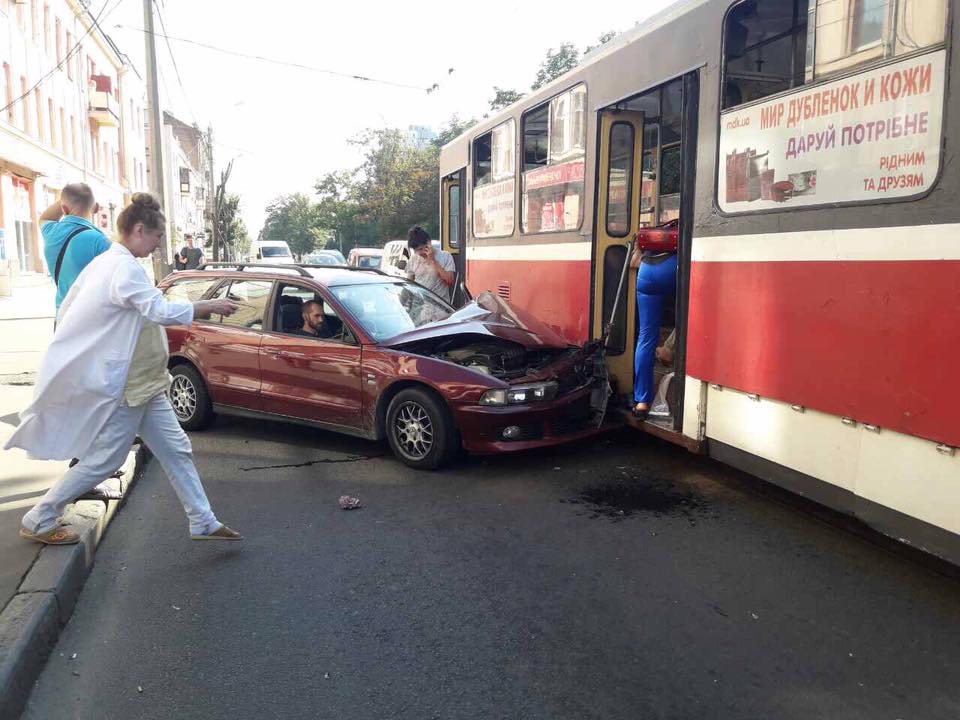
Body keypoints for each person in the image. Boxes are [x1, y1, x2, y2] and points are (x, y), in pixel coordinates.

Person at [5, 193, 243, 545]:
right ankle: (40, 518)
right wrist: (210, 305)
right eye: (157, 237)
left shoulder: (115, 262)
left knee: (176, 448)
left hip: (146, 382)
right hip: (130, 385)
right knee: (104, 460)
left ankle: (203, 521)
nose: (160, 245)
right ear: (139, 229)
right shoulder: (121, 266)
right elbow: (157, 310)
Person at [40, 183, 110, 312]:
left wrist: (66, 199)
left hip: (63, 316)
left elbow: (45, 217)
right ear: (96, 208)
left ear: (64, 209)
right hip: (93, 318)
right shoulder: (102, 241)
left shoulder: (50, 231)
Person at [632, 243, 677, 416]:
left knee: (646, 336)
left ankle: (642, 402)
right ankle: (670, 348)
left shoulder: (655, 234)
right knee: (689, 316)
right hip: (674, 265)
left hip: (647, 270)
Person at [405, 226, 455, 303]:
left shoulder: (445, 256)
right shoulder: (413, 259)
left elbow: (450, 280)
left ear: (429, 243)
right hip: (420, 306)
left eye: (421, 249)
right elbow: (409, 284)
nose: (420, 253)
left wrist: (433, 261)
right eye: (416, 250)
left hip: (440, 306)